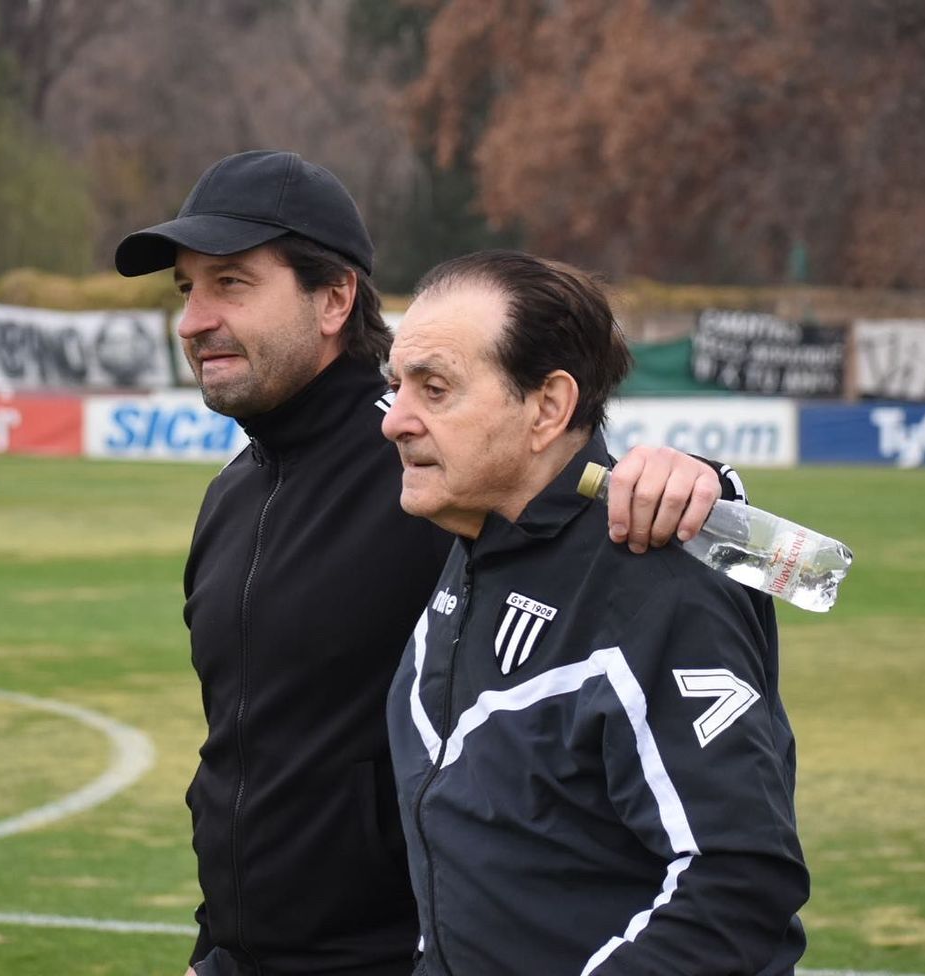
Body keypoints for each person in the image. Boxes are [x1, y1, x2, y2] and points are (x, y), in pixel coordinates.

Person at [114, 151, 743, 976]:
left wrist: (701, 482)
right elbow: (239, 760)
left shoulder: (427, 466)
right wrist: (219, 948)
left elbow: (576, 494)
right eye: (186, 290)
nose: (194, 320)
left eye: (231, 284)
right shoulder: (234, 495)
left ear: (335, 298)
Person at [381, 250, 808, 975]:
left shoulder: (657, 578)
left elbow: (739, 884)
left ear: (548, 407)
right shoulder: (476, 539)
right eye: (397, 387)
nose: (395, 421)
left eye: (435, 388)